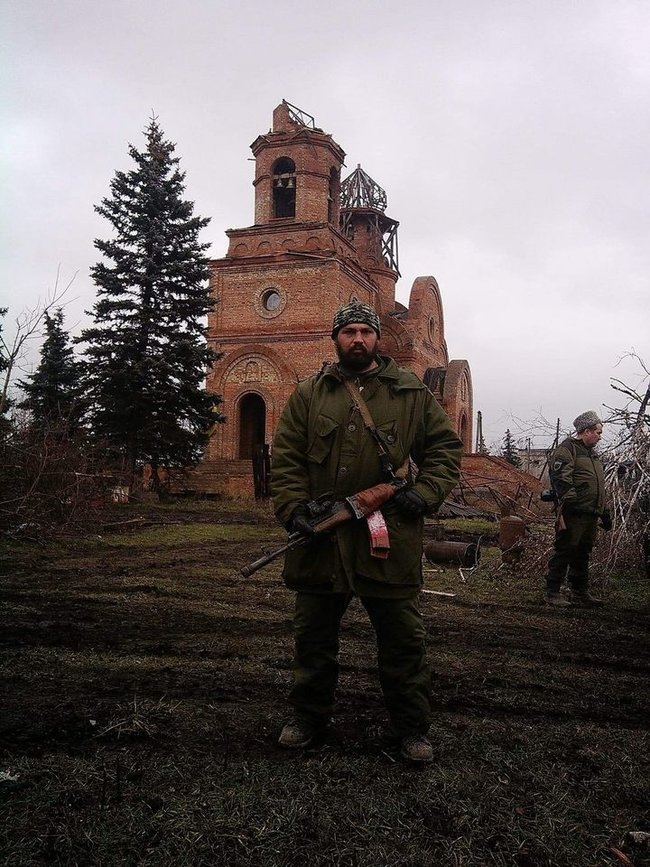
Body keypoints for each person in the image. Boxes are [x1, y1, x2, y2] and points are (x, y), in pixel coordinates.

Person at [270, 301, 463, 763]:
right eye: (349, 331)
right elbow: (287, 457)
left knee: (403, 640)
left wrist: (426, 493)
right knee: (313, 638)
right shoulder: (310, 394)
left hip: (388, 535)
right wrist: (293, 509)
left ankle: (411, 729)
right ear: (336, 338)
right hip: (323, 536)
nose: (358, 339)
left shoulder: (410, 393)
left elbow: (444, 449)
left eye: (366, 331)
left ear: (378, 338)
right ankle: (308, 718)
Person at [544, 410, 612, 607]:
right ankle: (552, 592)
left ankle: (579, 592)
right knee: (565, 550)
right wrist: (571, 504)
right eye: (598, 432)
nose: (600, 437)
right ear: (586, 431)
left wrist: (604, 512)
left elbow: (598, 486)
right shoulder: (567, 449)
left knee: (583, 552)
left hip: (590, 512)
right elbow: (561, 479)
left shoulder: (593, 455)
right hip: (573, 512)